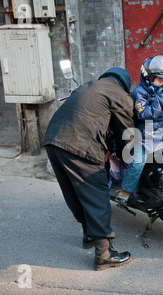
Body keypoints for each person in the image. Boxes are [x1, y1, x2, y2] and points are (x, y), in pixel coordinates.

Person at [44, 67, 134, 271]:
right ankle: (104, 254)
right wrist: (123, 157)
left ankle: (88, 235)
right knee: (97, 192)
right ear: (125, 85)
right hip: (79, 143)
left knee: (74, 190)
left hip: (52, 139)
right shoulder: (120, 95)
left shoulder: (88, 86)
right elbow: (127, 134)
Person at [115, 56, 163, 205]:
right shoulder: (139, 93)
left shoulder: (161, 92)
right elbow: (143, 114)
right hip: (146, 138)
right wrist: (160, 103)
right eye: (159, 79)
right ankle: (125, 191)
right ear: (148, 78)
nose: (162, 82)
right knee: (138, 162)